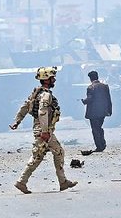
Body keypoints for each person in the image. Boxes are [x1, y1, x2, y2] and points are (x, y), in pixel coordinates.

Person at [9, 66, 78, 194]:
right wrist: (45, 131)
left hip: (44, 129)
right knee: (38, 156)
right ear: (46, 79)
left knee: (57, 152)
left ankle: (62, 182)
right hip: (44, 130)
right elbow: (42, 112)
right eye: (52, 78)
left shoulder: (37, 93)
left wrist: (17, 121)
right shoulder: (45, 95)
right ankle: (21, 182)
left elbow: (25, 107)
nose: (54, 80)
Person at [82, 70, 113, 152]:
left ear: (90, 78)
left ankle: (99, 146)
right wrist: (109, 110)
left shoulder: (90, 87)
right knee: (99, 127)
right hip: (103, 112)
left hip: (93, 113)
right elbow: (108, 99)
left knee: (95, 129)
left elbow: (90, 99)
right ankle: (102, 144)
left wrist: (83, 101)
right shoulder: (105, 86)